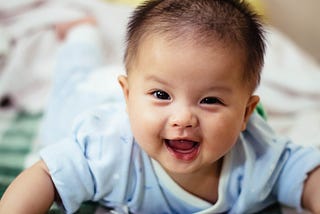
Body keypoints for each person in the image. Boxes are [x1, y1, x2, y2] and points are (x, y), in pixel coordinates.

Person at [1, 0, 320, 213]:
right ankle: (82, 33)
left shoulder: (258, 156)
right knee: (73, 78)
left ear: (246, 114)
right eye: (163, 95)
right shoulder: (105, 148)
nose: (183, 119)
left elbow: (308, 175)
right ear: (127, 96)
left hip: (139, 100)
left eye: (209, 100)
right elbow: (44, 175)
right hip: (89, 101)